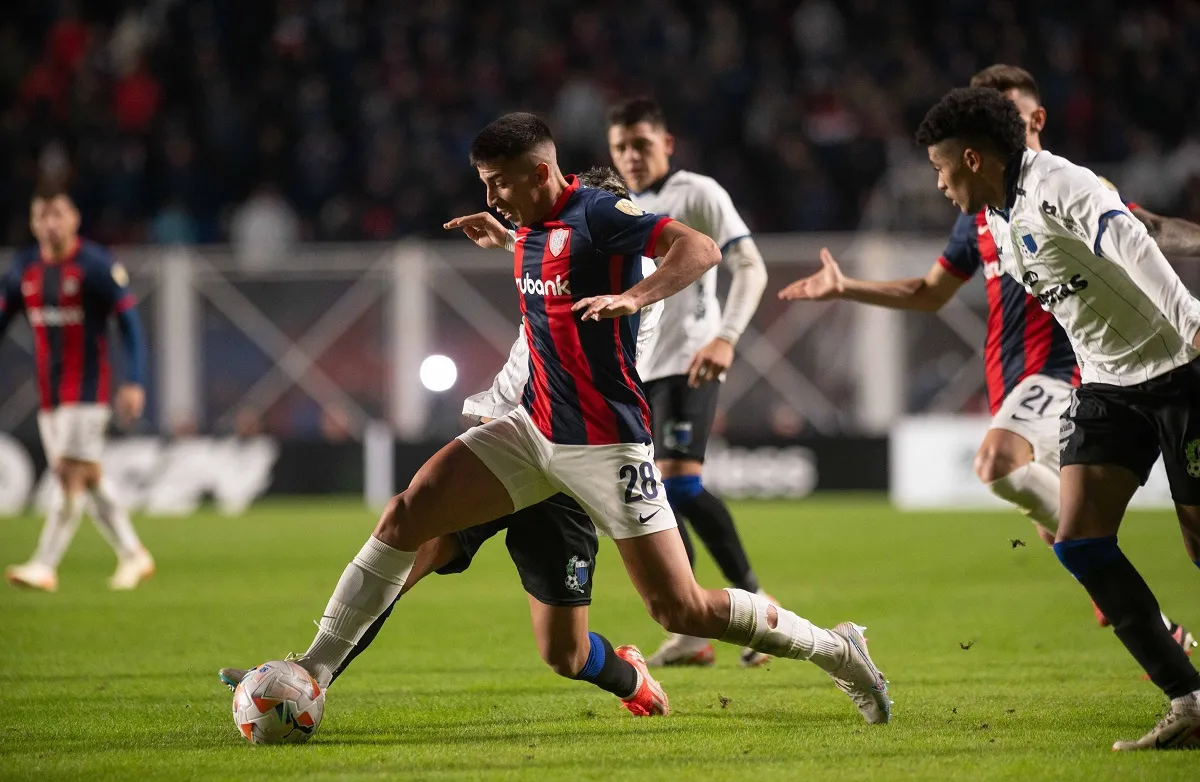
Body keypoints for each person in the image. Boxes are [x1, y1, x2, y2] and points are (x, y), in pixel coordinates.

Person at [225, 113, 891, 726]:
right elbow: (547, 245)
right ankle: (311, 671)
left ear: (540, 174)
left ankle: (837, 650)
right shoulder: (536, 227)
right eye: (484, 186)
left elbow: (699, 250)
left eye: (498, 186)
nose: (490, 199)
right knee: (408, 515)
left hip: (605, 444)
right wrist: (508, 233)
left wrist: (633, 295)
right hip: (531, 429)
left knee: (678, 608)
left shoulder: (601, 212)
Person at [223, 167, 673, 718]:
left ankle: (630, 677)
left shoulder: (636, 285)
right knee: (406, 543)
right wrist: (511, 238)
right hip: (504, 439)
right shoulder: (558, 259)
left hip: (567, 467)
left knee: (565, 652)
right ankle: (308, 674)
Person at [779, 65, 1195, 650]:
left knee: (999, 465)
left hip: (1072, 373)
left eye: (1009, 116)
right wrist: (846, 286)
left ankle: (1130, 605)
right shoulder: (981, 218)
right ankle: (1162, 651)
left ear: (1033, 122)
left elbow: (1142, 233)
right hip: (1014, 381)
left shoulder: (1071, 187)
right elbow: (931, 293)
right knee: (1070, 536)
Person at [915, 85, 1200, 750]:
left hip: (1179, 371)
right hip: (1107, 384)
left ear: (974, 158)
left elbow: (1128, 240)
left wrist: (1192, 325)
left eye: (939, 166)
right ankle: (1188, 700)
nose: (937, 183)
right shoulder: (994, 217)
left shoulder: (1061, 184)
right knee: (1080, 542)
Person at [606, 97, 775, 668]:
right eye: (621, 147)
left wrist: (725, 336)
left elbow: (750, 265)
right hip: (639, 371)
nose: (631, 156)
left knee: (678, 484)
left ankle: (756, 602)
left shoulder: (697, 193)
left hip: (690, 360)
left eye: (641, 145)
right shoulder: (618, 206)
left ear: (667, 144)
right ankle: (691, 626)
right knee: (658, 498)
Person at [0, 184, 154, 592]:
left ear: (74, 219)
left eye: (58, 215)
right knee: (86, 475)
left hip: (88, 389)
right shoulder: (23, 269)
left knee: (68, 473)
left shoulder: (95, 265)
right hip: (49, 393)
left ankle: (44, 565)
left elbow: (131, 326)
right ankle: (134, 554)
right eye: (42, 216)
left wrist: (135, 380)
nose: (50, 224)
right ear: (33, 223)